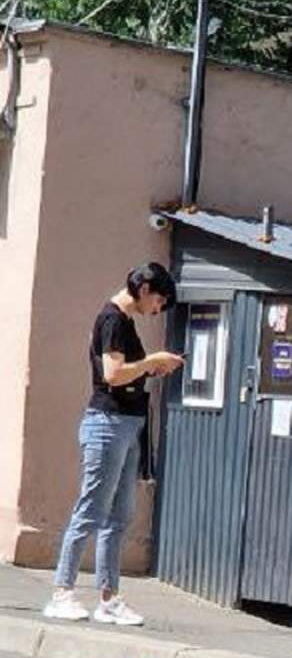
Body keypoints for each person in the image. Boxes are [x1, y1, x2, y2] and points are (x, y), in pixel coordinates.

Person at [44, 263, 183, 626]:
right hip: (107, 424)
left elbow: (125, 372)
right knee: (91, 510)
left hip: (127, 425)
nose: (158, 309)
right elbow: (112, 374)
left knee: (118, 517)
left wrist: (149, 367)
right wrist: (151, 361)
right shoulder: (113, 320)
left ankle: (108, 598)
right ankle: (62, 592)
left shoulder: (124, 321)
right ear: (144, 289)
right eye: (159, 300)